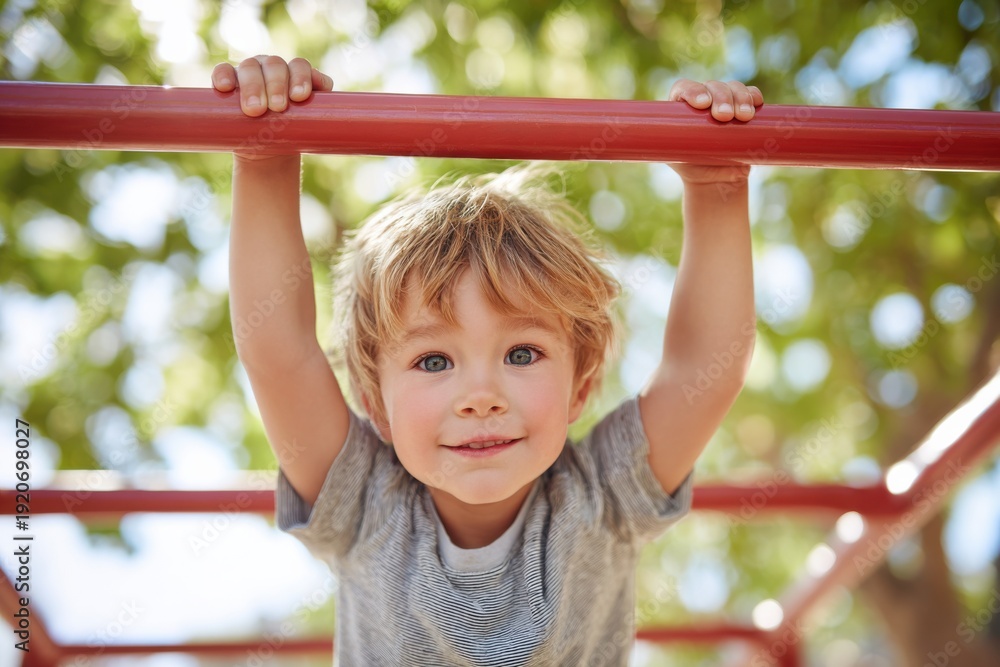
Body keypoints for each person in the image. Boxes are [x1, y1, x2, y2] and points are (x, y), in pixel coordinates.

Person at [213, 54, 761, 666]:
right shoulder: (364, 502)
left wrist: (717, 188)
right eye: (432, 361)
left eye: (521, 353)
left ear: (580, 389)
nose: (481, 394)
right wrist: (264, 155)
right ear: (375, 405)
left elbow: (705, 369)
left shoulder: (604, 495)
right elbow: (278, 354)